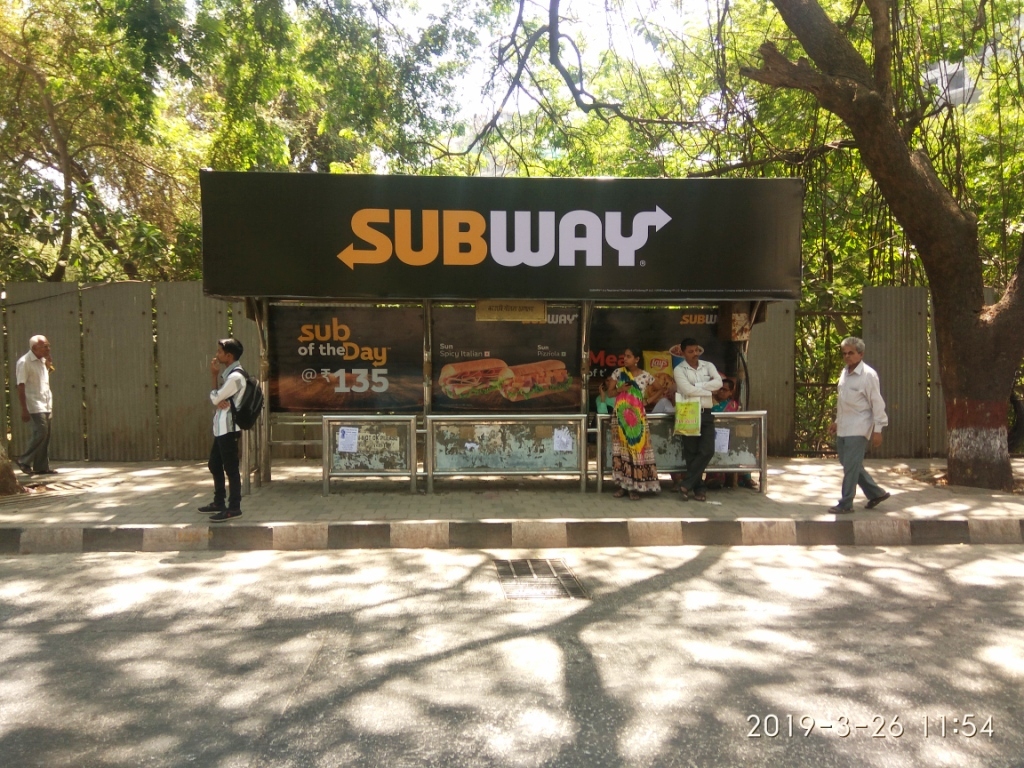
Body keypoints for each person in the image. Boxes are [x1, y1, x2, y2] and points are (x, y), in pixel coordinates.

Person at [827, 336, 890, 514]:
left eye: (851, 353)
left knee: (851, 467)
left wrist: (878, 430)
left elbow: (877, 404)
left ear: (861, 354)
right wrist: (837, 422)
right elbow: (844, 402)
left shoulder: (868, 376)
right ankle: (876, 493)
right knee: (848, 464)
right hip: (845, 426)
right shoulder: (844, 373)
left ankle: (846, 503)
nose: (847, 356)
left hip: (859, 428)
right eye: (844, 353)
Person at [199, 338, 247, 521]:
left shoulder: (235, 377)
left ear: (229, 356)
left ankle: (234, 507)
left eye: (220, 352)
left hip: (228, 428)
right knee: (214, 464)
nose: (217, 354)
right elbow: (218, 399)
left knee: (231, 468)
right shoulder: (229, 376)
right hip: (220, 428)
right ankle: (219, 501)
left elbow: (215, 398)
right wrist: (218, 398)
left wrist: (213, 377)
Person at [607, 347, 662, 500]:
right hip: (621, 418)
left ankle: (635, 487)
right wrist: (620, 389)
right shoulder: (618, 373)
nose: (625, 358)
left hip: (638, 418)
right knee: (622, 451)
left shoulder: (646, 376)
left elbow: (661, 389)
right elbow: (609, 393)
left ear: (637, 359)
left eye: (629, 356)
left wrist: (647, 401)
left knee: (637, 451)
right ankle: (622, 486)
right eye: (624, 356)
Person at [673, 337, 722, 501]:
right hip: (688, 411)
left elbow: (719, 383)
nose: (695, 354)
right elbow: (686, 390)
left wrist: (697, 388)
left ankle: (685, 484)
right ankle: (699, 488)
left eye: (696, 351)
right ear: (683, 352)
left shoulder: (708, 366)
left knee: (707, 450)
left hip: (706, 411)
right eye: (690, 351)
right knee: (691, 452)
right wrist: (708, 390)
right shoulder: (679, 370)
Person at [705, 378, 757, 490]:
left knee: (741, 445)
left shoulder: (732, 405)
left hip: (730, 436)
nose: (721, 392)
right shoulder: (709, 401)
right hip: (712, 435)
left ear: (730, 392)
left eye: (724, 389)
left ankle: (744, 477)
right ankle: (714, 478)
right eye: (719, 389)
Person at [16, 335, 56, 476]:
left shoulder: (43, 360)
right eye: (45, 346)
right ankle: (23, 460)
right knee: (41, 431)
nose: (48, 349)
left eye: (48, 346)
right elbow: (20, 386)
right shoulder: (24, 362)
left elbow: (42, 379)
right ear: (34, 348)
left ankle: (41, 466)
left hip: (46, 402)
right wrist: (24, 409)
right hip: (33, 403)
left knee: (46, 435)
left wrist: (48, 366)